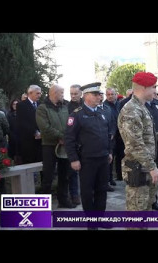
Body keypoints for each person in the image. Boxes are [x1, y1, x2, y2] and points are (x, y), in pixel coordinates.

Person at [118, 72, 158, 217]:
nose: (155, 91)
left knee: (145, 210)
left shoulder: (141, 107)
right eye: (153, 87)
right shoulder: (131, 110)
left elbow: (144, 135)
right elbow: (134, 144)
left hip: (146, 169)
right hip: (138, 170)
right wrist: (152, 167)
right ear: (143, 88)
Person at [65, 82, 113, 221]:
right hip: (87, 160)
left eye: (99, 94)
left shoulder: (101, 113)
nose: (99, 97)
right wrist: (73, 159)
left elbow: (107, 135)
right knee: (87, 192)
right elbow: (69, 139)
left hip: (103, 158)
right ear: (86, 96)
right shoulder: (77, 115)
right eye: (96, 94)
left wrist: (109, 151)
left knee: (102, 190)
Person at [36, 84, 76, 208]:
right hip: (49, 146)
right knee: (48, 176)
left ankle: (63, 200)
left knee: (65, 175)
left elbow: (71, 122)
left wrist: (67, 137)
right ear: (54, 93)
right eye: (62, 93)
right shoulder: (42, 108)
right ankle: (44, 206)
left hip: (64, 146)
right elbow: (45, 128)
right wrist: (61, 137)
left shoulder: (65, 106)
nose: (64, 96)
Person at [67, 84, 82, 205]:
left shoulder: (86, 104)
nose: (73, 96)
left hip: (86, 143)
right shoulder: (67, 107)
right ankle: (74, 195)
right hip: (73, 142)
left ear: (81, 93)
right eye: (71, 93)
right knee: (72, 171)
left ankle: (87, 191)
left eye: (75, 93)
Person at [6, 99, 22, 164]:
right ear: (11, 105)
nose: (15, 105)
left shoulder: (23, 114)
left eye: (17, 104)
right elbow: (7, 127)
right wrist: (11, 135)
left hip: (22, 138)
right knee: (14, 156)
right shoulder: (9, 114)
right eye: (14, 104)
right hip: (12, 138)